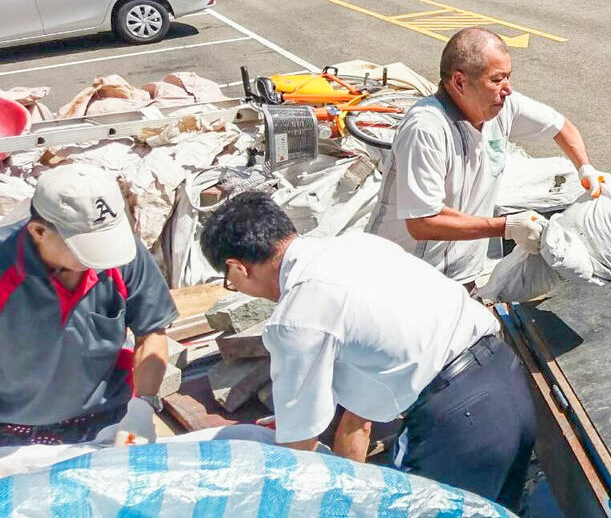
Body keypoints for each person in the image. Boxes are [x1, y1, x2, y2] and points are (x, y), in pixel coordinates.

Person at [200, 192, 535, 508]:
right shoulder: (359, 246)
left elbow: (297, 449)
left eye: (231, 282)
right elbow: (358, 419)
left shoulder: (298, 316)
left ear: (238, 267)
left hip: (456, 421)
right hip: (509, 384)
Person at [368, 27, 611, 290]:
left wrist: (586, 168)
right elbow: (423, 222)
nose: (507, 89)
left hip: (460, 277)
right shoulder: (426, 129)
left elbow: (560, 126)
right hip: (400, 278)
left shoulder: (503, 106)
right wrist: (506, 227)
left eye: (508, 76)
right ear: (459, 82)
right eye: (496, 80)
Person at [0, 165, 177, 446]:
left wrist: (142, 407)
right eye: (86, 247)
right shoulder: (4, 265)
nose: (102, 256)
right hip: (11, 427)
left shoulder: (123, 256)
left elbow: (152, 333)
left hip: (105, 418)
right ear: (39, 231)